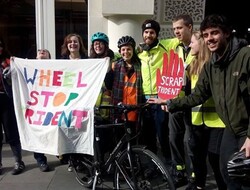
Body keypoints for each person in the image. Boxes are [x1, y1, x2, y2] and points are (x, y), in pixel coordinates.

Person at [147, 14, 250, 190]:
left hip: (245, 129)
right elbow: (198, 95)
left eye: (214, 33)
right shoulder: (211, 65)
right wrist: (169, 102)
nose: (210, 38)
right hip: (231, 129)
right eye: (206, 35)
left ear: (226, 34)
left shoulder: (245, 56)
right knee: (227, 172)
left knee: (241, 175)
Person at [185, 31, 226, 190]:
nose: (189, 45)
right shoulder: (192, 62)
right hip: (196, 120)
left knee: (215, 159)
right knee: (197, 156)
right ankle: (199, 185)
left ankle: (223, 186)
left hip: (216, 121)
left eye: (192, 42)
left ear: (200, 44)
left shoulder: (213, 64)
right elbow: (186, 88)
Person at [137, 19, 179, 171]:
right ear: (143, 34)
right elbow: (121, 53)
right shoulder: (140, 52)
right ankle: (152, 165)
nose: (149, 35)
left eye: (152, 32)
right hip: (145, 100)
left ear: (156, 34)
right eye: (146, 32)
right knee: (148, 136)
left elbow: (184, 37)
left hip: (160, 98)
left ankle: (170, 165)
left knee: (163, 134)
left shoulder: (166, 46)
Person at [168, 14, 195, 187]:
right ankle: (179, 172)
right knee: (173, 138)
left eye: (180, 28)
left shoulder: (200, 47)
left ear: (190, 27)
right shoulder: (175, 47)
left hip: (193, 103)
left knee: (189, 142)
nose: (176, 31)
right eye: (175, 29)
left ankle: (194, 176)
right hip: (176, 100)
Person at [59, 33, 88, 172]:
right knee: (68, 129)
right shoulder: (62, 61)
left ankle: (81, 158)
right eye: (70, 42)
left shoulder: (88, 60)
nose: (73, 44)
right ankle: (71, 159)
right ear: (67, 45)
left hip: (83, 100)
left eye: (75, 42)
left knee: (81, 129)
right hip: (67, 102)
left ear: (80, 44)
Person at [0, 37, 25, 175]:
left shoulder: (9, 61)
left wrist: (12, 70)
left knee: (11, 133)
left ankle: (18, 161)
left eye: (0, 45)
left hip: (7, 99)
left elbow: (20, 72)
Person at [111, 36, 143, 143]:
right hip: (120, 109)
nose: (126, 52)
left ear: (133, 50)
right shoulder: (115, 66)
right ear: (120, 51)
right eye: (123, 49)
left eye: (129, 49)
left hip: (134, 108)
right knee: (120, 139)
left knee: (134, 139)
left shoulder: (140, 66)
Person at [32, 48, 52, 172]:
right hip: (36, 106)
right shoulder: (29, 68)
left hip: (53, 106)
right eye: (39, 51)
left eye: (45, 51)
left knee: (55, 130)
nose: (42, 52)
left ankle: (61, 155)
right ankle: (40, 160)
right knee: (37, 133)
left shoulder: (56, 68)